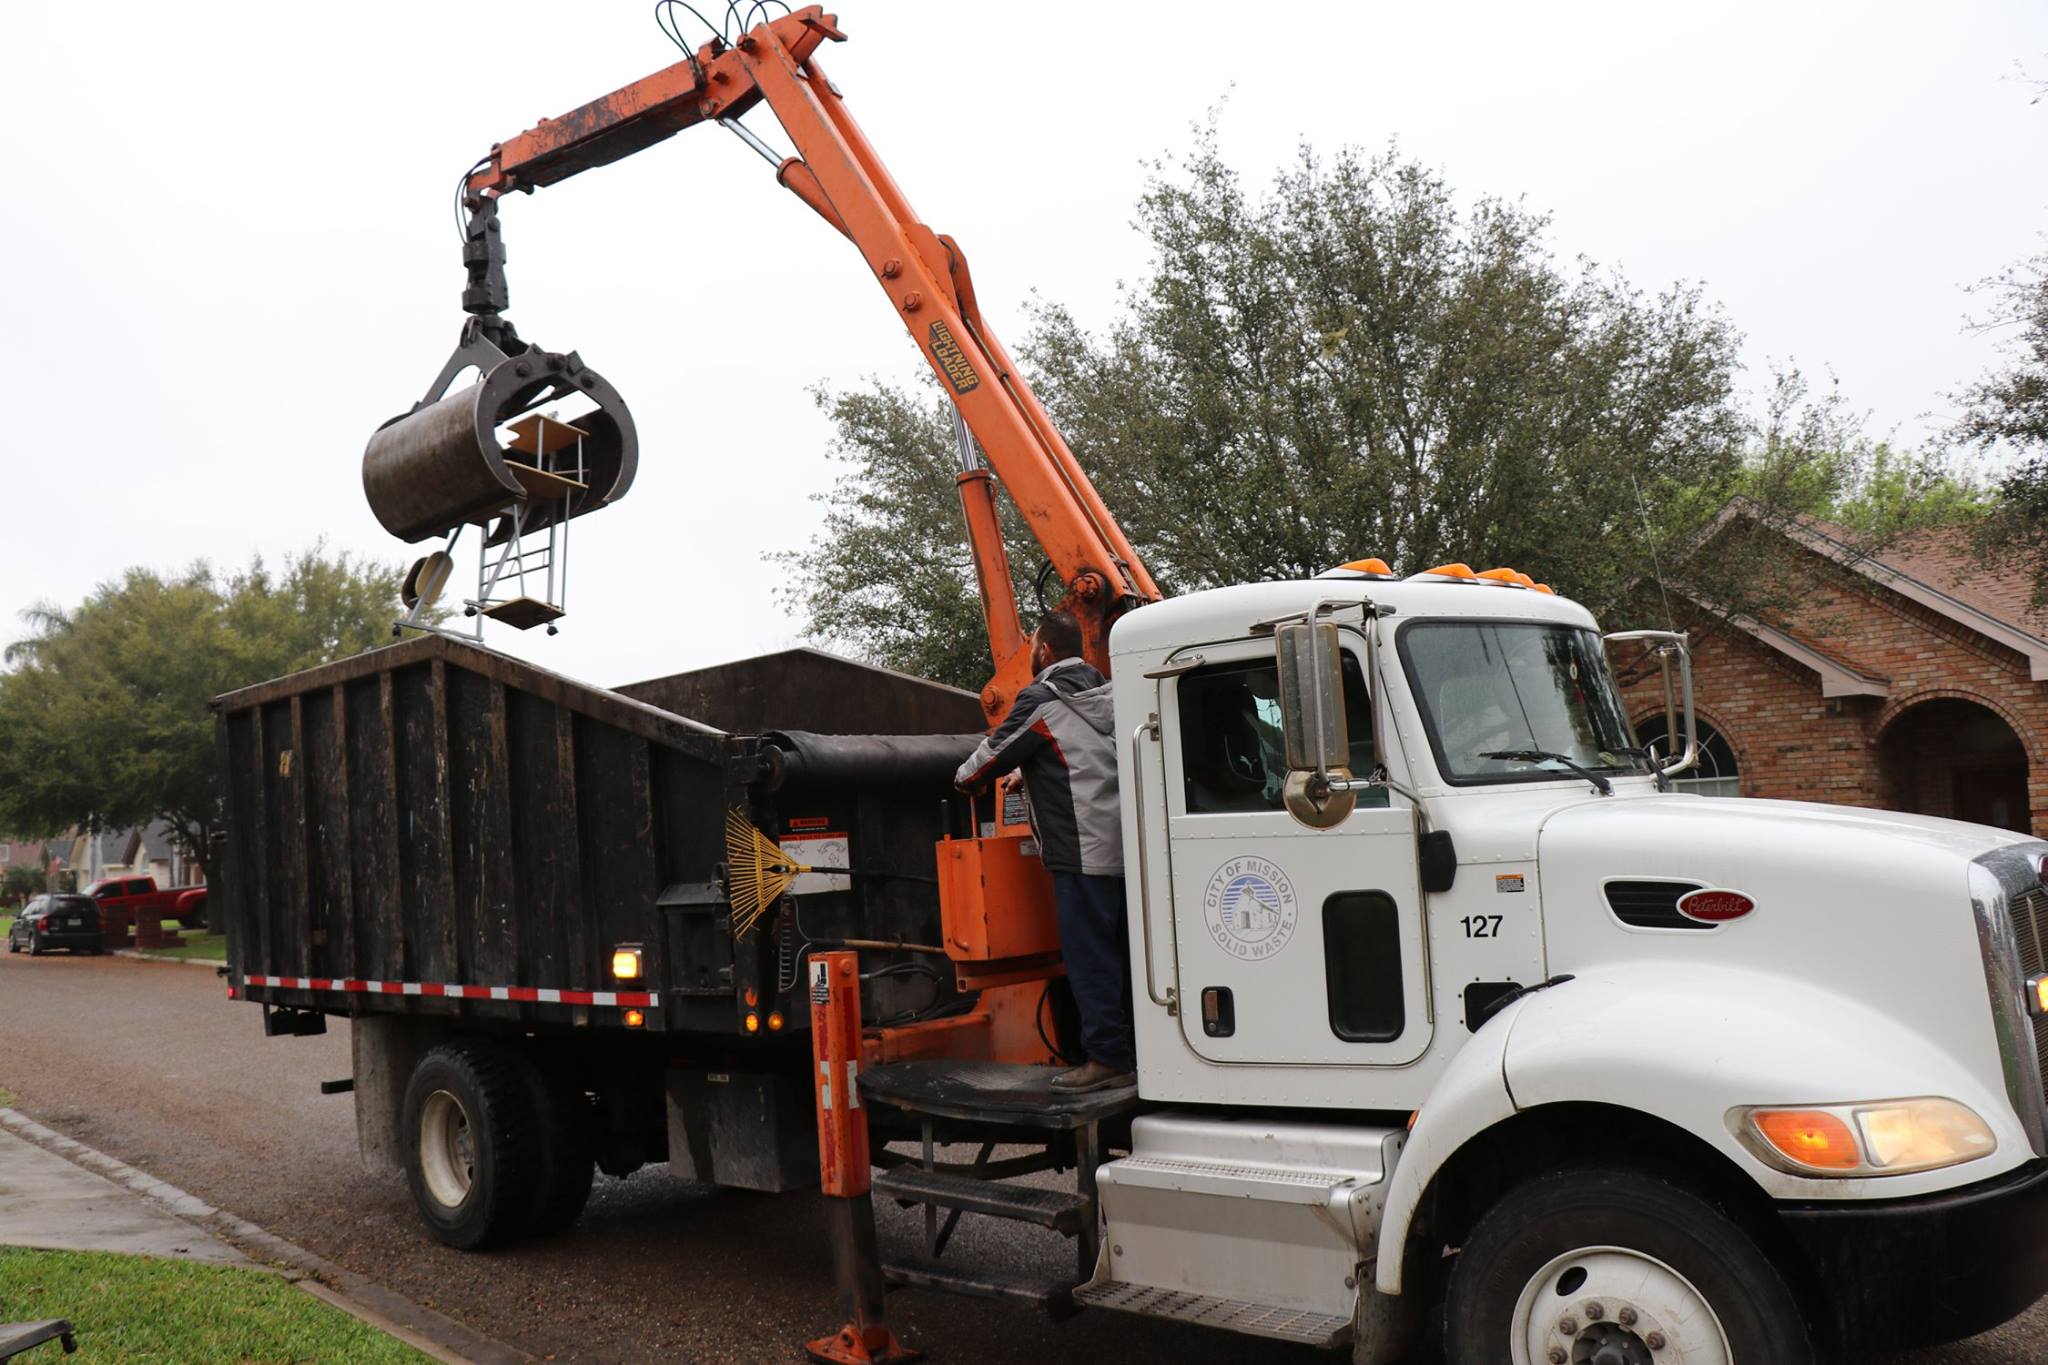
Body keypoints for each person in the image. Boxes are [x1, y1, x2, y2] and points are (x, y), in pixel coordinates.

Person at [954, 611, 1133, 1092]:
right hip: (1126, 847)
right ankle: (1133, 1052)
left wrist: (968, 776)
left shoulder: (1041, 699)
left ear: (1045, 652)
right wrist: (1029, 772)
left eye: (1032, 645)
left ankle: (1107, 1059)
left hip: (1080, 849)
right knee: (1122, 953)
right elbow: (1088, 758)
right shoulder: (1111, 692)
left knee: (1089, 957)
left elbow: (982, 764)